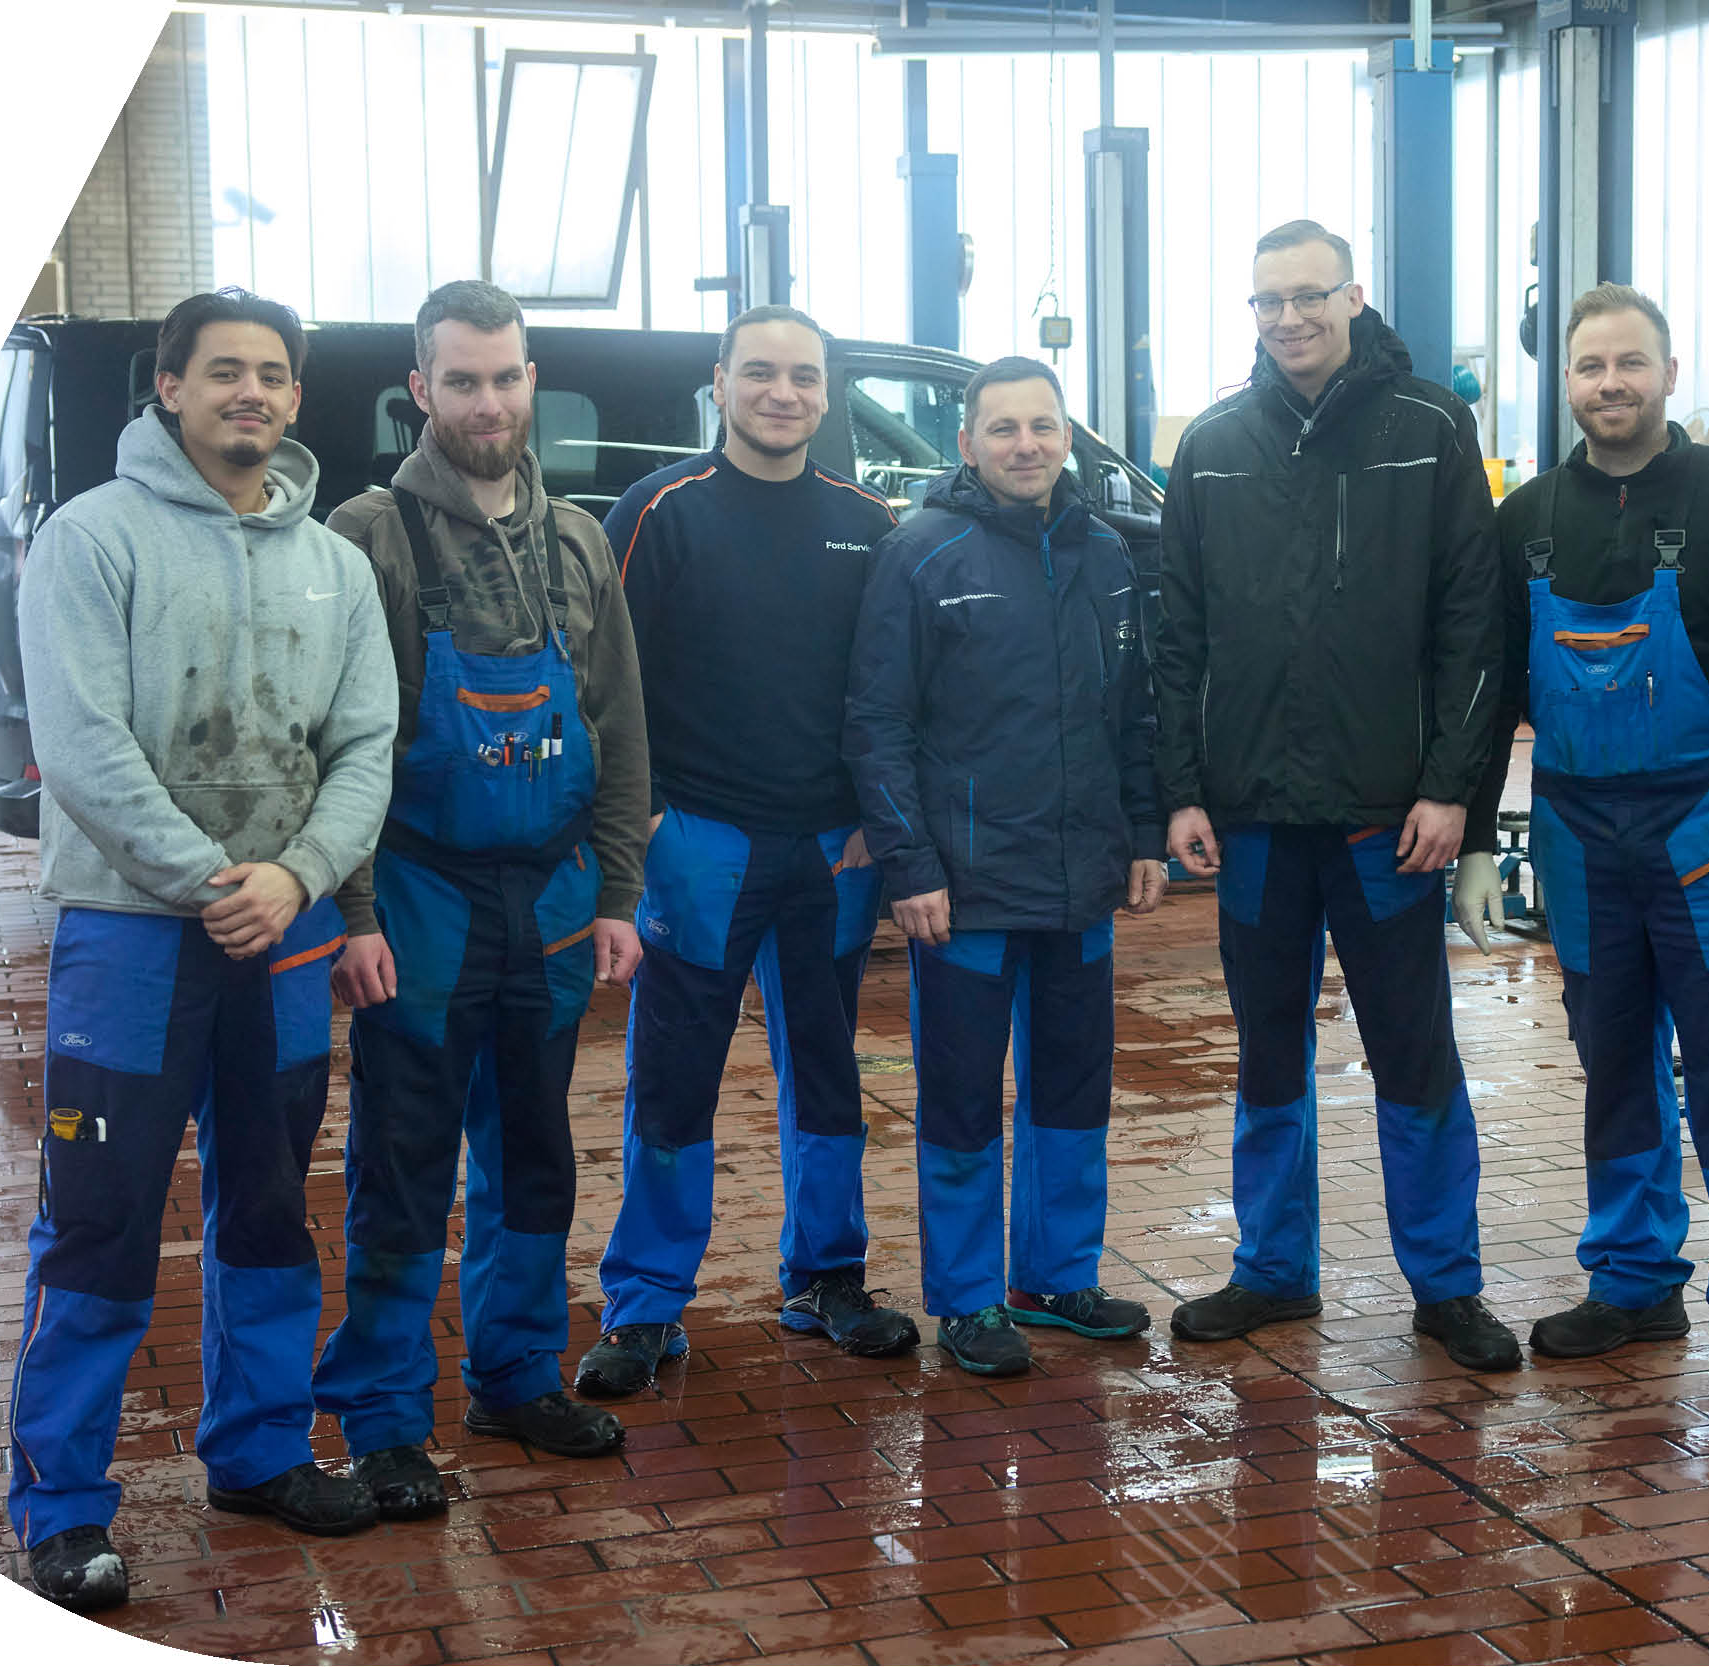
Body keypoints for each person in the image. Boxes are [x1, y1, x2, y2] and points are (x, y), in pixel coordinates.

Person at [9, 288, 398, 1611]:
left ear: (296, 398)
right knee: (102, 1220)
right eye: (222, 369)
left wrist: (293, 875)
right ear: (165, 386)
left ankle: (262, 1448)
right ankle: (62, 1507)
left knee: (275, 1203)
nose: (252, 391)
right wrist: (208, 878)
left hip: (283, 936)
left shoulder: (333, 566)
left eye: (273, 374)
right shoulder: (90, 540)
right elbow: (80, 741)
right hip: (131, 933)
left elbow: (364, 745)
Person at [1453, 284, 1709, 1407]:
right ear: (1565, 382)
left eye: (1629, 363)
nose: (1608, 384)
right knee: (1613, 1059)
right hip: (1576, 829)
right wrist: (1479, 838)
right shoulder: (1521, 519)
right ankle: (1630, 1278)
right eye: (1588, 367)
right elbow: (1486, 693)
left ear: (1669, 373)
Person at [309, 280, 653, 1513]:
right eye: (463, 380)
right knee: (403, 1161)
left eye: (508, 378)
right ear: (422, 390)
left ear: (531, 382)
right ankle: (387, 1416)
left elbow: (619, 723)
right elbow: (335, 746)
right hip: (420, 895)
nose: (491, 401)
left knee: (534, 1153)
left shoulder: (574, 539)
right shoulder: (366, 536)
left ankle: (515, 1374)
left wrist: (618, 888)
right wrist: (350, 910)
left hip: (552, 901)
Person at [1152, 219, 1517, 1368]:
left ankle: (1445, 1286)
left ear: (1353, 296)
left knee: (1413, 1051)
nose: (1288, 318)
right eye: (1267, 300)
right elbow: (1176, 637)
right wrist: (1179, 792)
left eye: (1309, 294)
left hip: (1384, 821)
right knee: (1268, 1051)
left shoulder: (1427, 430)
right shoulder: (1210, 444)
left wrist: (1454, 790)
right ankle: (1272, 1268)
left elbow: (1473, 621)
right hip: (1254, 819)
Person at [575, 306, 917, 1396]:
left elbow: (894, 688)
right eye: (759, 372)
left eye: (804, 376)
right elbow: (602, 687)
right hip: (700, 843)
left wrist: (874, 812)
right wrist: (647, 822)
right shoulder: (659, 509)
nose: (783, 393)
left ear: (826, 393)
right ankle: (643, 1303)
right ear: (718, 384)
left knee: (825, 1071)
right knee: (673, 1079)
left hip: (832, 845)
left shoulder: (870, 521)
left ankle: (827, 1273)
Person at [846, 355, 1164, 1376]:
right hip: (969, 888)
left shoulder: (1108, 555)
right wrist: (911, 864)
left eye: (1042, 425)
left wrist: (1145, 835)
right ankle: (970, 1295)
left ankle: (1057, 1274)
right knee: (960, 1095)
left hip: (1082, 881)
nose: (1025, 444)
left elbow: (1137, 716)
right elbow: (878, 722)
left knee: (1073, 1088)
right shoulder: (921, 553)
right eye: (1003, 427)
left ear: (1066, 434)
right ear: (966, 442)